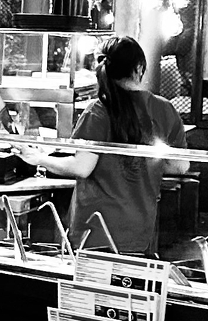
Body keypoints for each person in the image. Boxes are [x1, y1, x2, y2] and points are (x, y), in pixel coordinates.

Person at [62, 35, 188, 257]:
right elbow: (180, 166)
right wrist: (148, 164)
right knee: (128, 279)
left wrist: (39, 159)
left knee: (92, 280)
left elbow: (82, 167)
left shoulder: (98, 111)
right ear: (139, 68)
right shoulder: (165, 109)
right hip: (138, 229)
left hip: (94, 229)